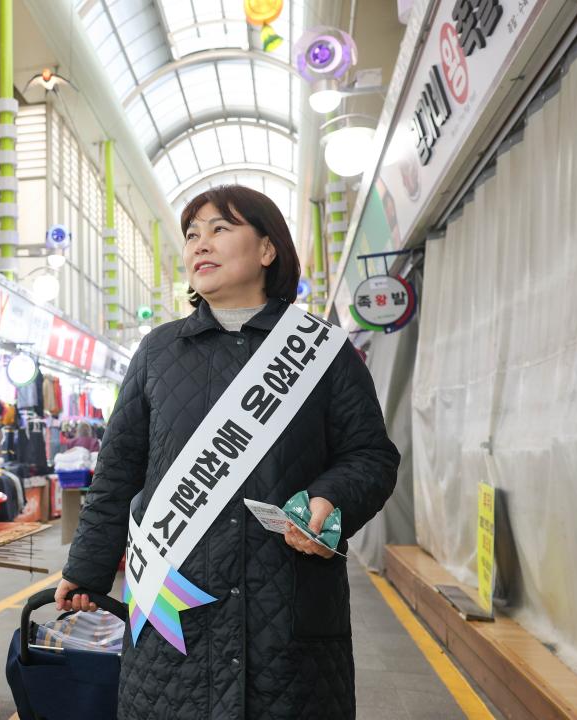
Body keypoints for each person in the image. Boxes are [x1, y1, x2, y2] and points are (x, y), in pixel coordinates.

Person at [56, 185, 400, 719]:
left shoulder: (323, 350)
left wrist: (330, 499)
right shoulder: (157, 353)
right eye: (192, 234)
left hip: (286, 616)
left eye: (220, 229)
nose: (200, 244)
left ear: (268, 250)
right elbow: (117, 475)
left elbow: (372, 457)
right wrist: (86, 570)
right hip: (175, 618)